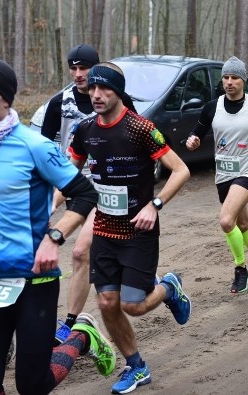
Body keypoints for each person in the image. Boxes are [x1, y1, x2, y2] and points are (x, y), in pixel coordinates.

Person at [0, 57, 116, 394]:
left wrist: (54, 238)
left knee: (31, 384)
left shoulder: (35, 146)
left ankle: (81, 337)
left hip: (33, 279)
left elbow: (84, 194)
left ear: (6, 98)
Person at [68, 62, 192, 393]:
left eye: (104, 88)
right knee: (108, 303)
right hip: (105, 230)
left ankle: (168, 287)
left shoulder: (140, 128)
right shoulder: (85, 130)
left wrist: (156, 204)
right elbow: (68, 172)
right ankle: (136, 366)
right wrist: (52, 201)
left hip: (139, 230)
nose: (96, 94)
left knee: (132, 305)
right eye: (92, 88)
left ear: (118, 91)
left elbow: (180, 171)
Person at [185, 57, 248, 294]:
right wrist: (193, 141)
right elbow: (196, 134)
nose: (229, 82)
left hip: (246, 173)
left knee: (225, 220)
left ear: (243, 80)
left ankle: (240, 268)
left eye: (234, 78)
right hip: (223, 174)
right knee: (242, 223)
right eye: (226, 77)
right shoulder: (212, 106)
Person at [40, 44, 101, 344]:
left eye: (84, 68)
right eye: (73, 68)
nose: (78, 74)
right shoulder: (58, 103)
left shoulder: (112, 99)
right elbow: (41, 150)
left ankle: (69, 323)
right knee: (97, 258)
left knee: (81, 252)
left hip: (107, 190)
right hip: (71, 184)